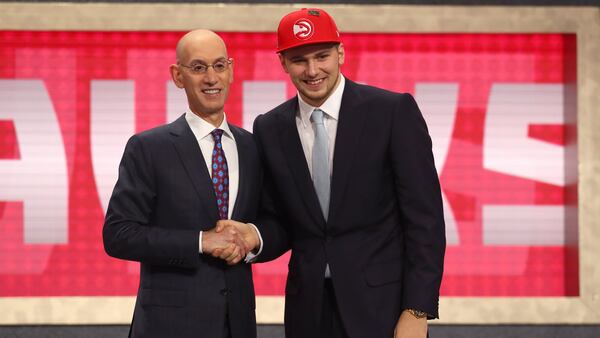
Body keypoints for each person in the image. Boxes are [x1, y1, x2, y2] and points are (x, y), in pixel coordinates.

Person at [218, 7, 446, 338]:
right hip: (307, 310)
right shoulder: (269, 127)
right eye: (299, 60)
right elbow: (281, 219)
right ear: (283, 63)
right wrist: (255, 237)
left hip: (384, 307)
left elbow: (425, 221)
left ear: (340, 53)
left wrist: (417, 310)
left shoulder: (391, 112)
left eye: (322, 56)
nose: (312, 70)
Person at [102, 29, 261, 338]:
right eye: (198, 67)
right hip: (169, 326)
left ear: (231, 70)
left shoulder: (253, 147)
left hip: (238, 324)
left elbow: (276, 223)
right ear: (178, 76)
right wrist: (200, 241)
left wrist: (252, 237)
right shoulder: (149, 147)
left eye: (219, 65)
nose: (211, 78)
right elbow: (118, 234)